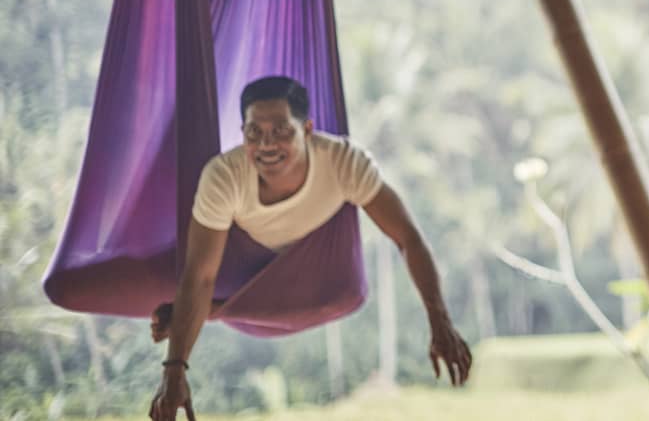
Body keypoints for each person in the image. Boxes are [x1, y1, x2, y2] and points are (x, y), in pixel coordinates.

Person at [149, 76, 472, 421]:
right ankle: (201, 311)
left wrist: (440, 322)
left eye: (280, 131)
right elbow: (200, 276)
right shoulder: (224, 176)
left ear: (307, 129)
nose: (266, 145)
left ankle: (204, 311)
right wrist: (174, 370)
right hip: (243, 268)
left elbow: (408, 237)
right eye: (253, 132)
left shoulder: (343, 162)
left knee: (346, 295)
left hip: (318, 275)